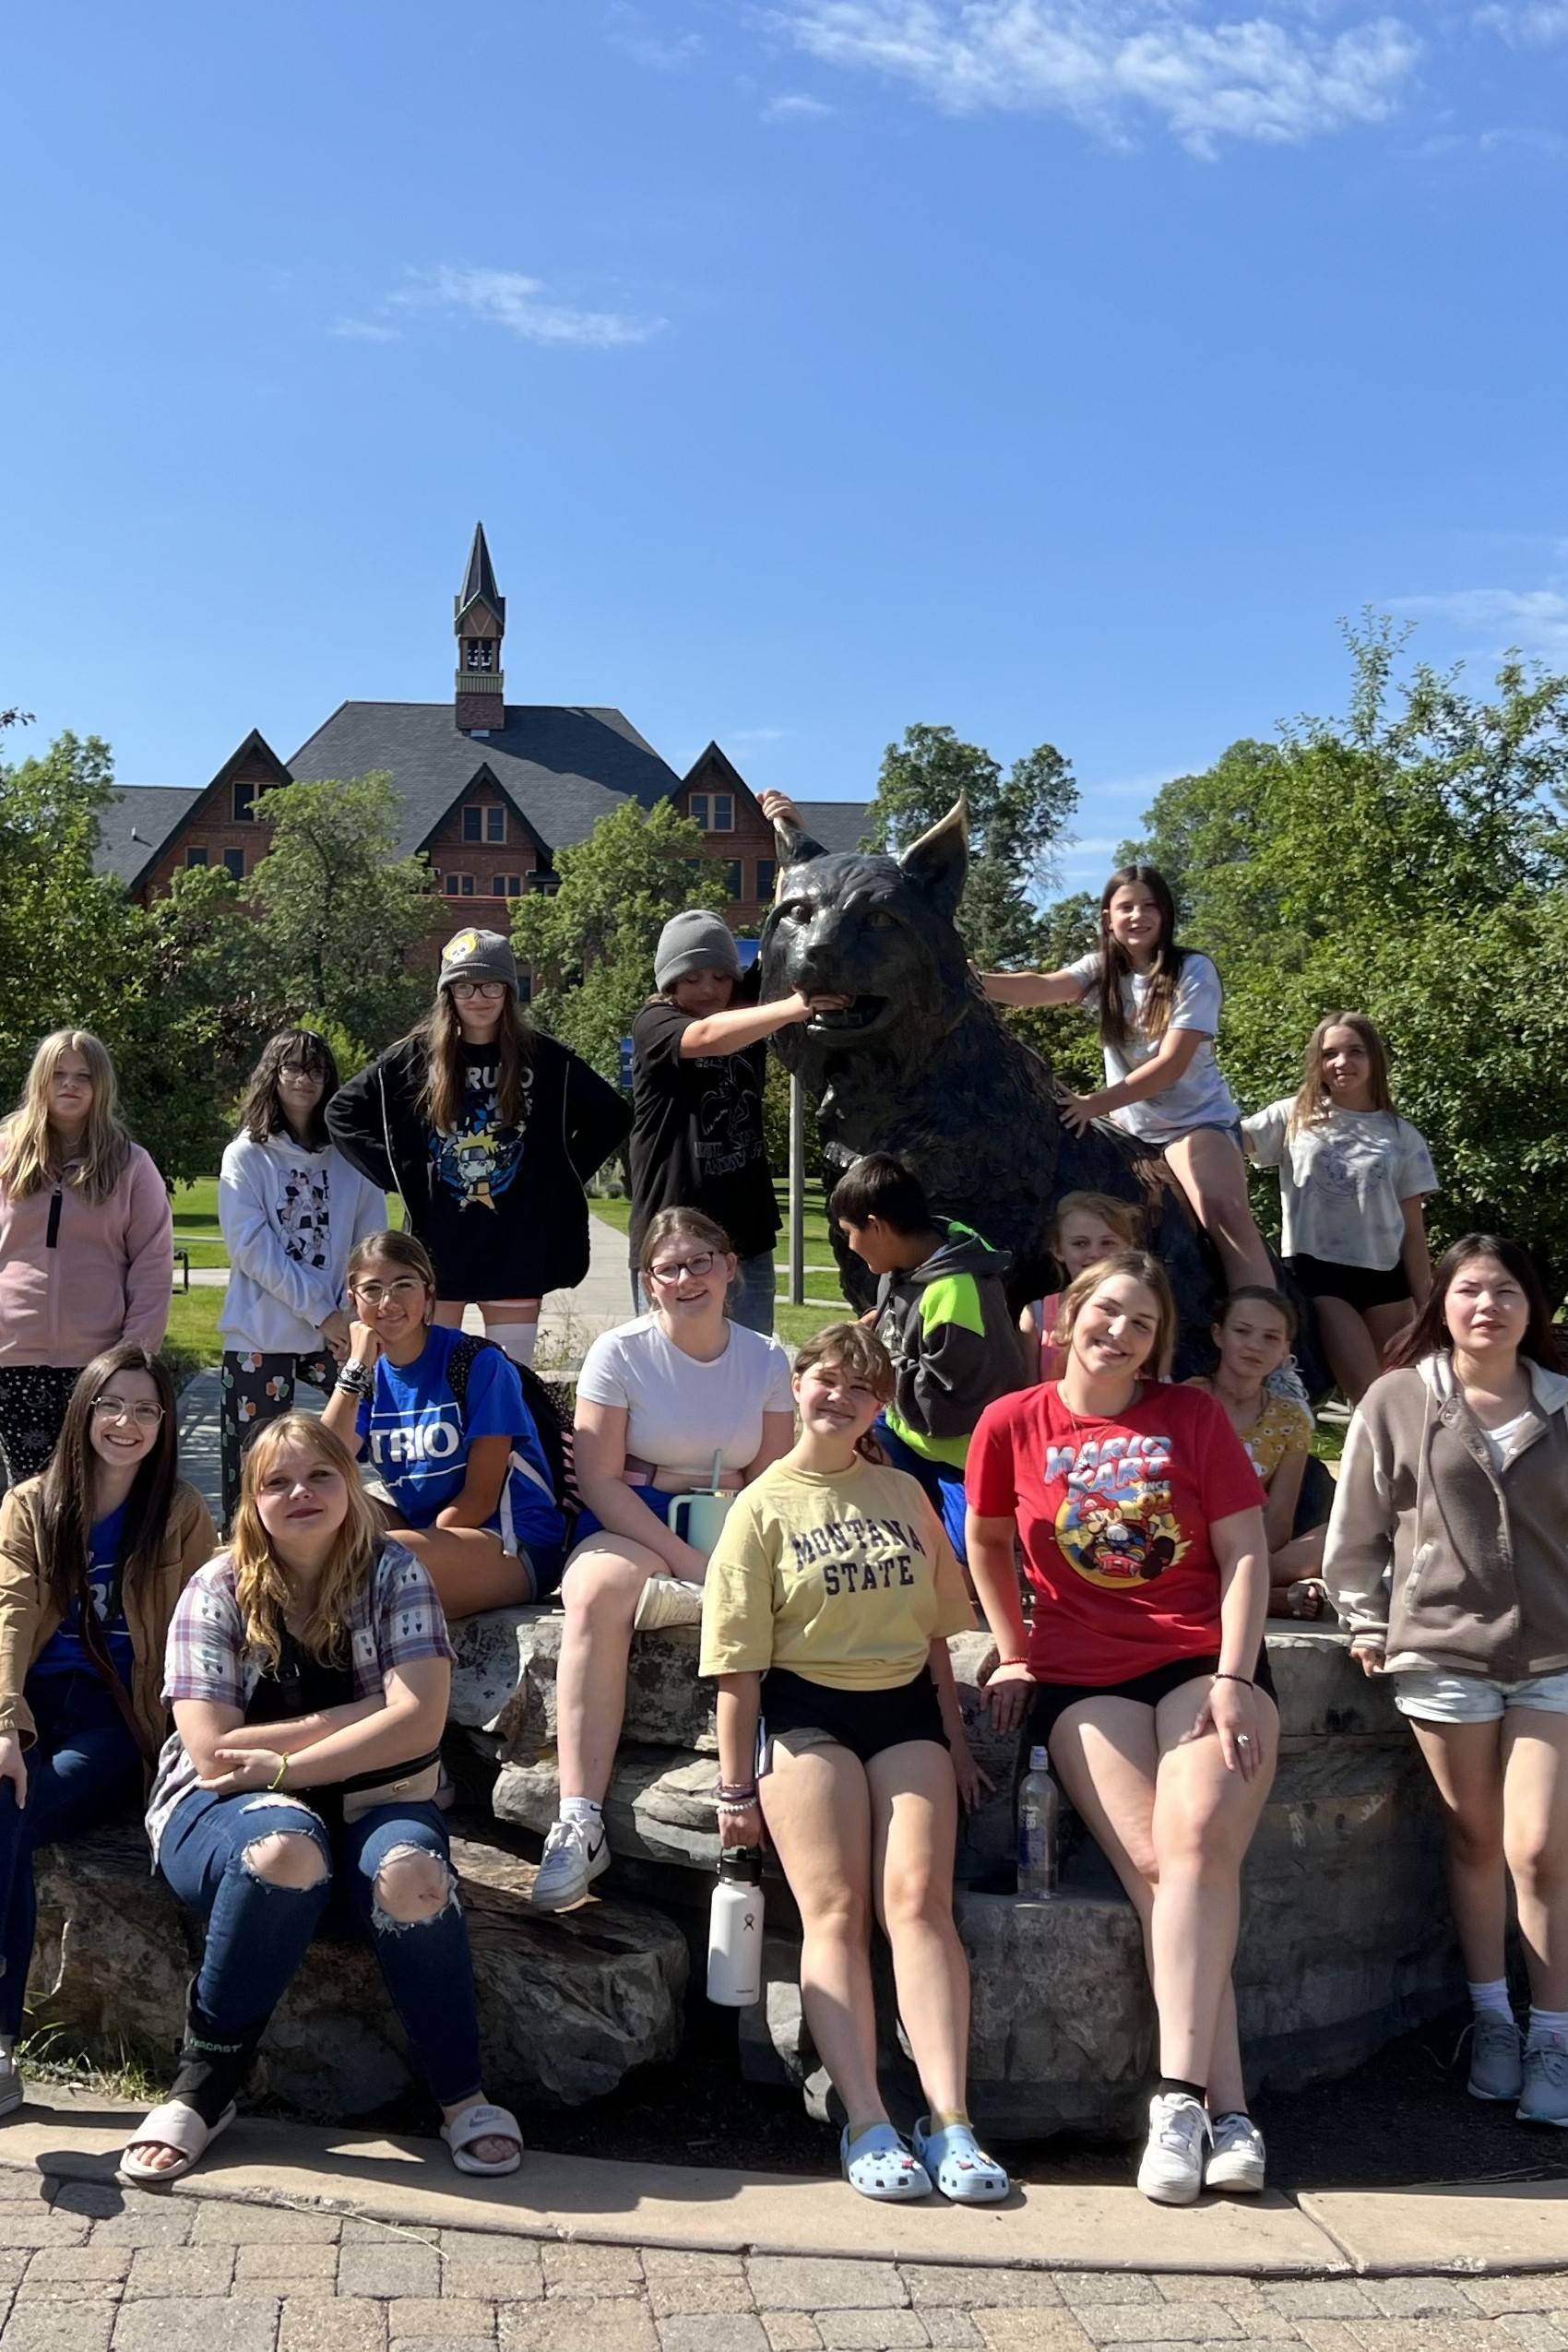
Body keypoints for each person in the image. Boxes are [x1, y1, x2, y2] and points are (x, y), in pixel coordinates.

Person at [118, 1412, 521, 2185]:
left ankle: (461, 2094)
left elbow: (419, 1725)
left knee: (411, 1872)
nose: (300, 1493)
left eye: (319, 1475)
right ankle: (204, 2089)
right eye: (276, 1482)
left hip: (377, 1801)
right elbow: (213, 1752)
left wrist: (280, 1761)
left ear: (350, 1483)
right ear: (251, 1501)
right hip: (224, 1814)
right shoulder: (217, 1586)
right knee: (285, 1849)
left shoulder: (395, 1574)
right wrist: (362, 1719)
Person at [967, 1250, 1276, 2204]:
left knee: (1188, 1846)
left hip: (1200, 1666)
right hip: (1079, 1675)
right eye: (1105, 1312)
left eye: (1140, 1323)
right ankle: (1228, 2114)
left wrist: (1229, 1673)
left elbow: (1244, 1552)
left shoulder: (1188, 1414)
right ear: (1065, 1317)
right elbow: (981, 1537)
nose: (1119, 1333)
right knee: (1160, 1872)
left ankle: (1178, 2100)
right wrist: (1010, 1645)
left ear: (1157, 1340)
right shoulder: (1010, 1421)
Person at [702, 1323, 1007, 2204]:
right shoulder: (760, 1509)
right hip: (806, 1712)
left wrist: (954, 1744)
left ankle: (950, 2121)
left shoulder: (905, 1492)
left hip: (904, 1705)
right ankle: (866, 2116)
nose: (842, 1399)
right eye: (828, 1380)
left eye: (863, 1390)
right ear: (798, 1385)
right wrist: (734, 1789)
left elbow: (938, 1635)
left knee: (919, 1905)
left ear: (880, 1406)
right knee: (834, 1910)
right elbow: (737, 1666)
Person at [1324, 1234, 1568, 2129]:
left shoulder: (1558, 1405)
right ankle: (1490, 2021)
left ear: (1528, 1308)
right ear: (1444, 1303)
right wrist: (1359, 1615)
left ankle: (1551, 2032)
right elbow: (1355, 1523)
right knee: (1472, 1841)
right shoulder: (1399, 1399)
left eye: (1505, 1291)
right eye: (1468, 1290)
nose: (1486, 1307)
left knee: (1539, 1849)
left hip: (1552, 1659)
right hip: (1439, 1653)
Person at [530, 1208, 795, 1913]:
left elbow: (773, 1481)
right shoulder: (619, 1353)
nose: (687, 1278)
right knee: (592, 1591)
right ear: (649, 1282)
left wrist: (731, 1561)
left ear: (730, 1266)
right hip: (635, 1525)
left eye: (701, 1261)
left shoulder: (767, 1359)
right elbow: (600, 1476)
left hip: (732, 1528)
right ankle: (579, 1817)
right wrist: (684, 1560)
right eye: (669, 1268)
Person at [0, 1344, 214, 2115]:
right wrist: (2, 1724)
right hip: (32, 1705)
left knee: (8, 1815)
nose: (127, 1423)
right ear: (84, 1411)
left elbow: (204, 1629)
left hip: (116, 1719)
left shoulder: (182, 1515)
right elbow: (11, 1612)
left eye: (147, 1409)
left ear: (164, 1422)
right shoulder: (30, 1504)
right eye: (112, 1406)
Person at [326, 929, 630, 1367]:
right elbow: (342, 1114)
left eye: (491, 985)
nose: (478, 997)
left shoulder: (545, 1059)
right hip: (437, 1252)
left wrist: (558, 1177)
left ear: (509, 991)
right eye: (464, 986)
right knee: (435, 1381)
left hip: (517, 1250)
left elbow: (613, 1115)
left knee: (512, 1383)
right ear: (448, 993)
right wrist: (405, 1176)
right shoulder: (414, 1058)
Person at [981, 868, 1273, 1294]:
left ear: (1167, 914)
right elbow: (1043, 987)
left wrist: (1093, 1105)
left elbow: (1173, 1063)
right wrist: (978, 982)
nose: (1138, 915)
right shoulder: (1102, 969)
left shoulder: (1193, 969)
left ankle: (1268, 1329)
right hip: (1128, 1131)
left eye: (1149, 905)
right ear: (1107, 919)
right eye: (1126, 907)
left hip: (1195, 1123)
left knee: (1222, 1213)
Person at [320, 1231, 566, 1621]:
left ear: (428, 1292)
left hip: (508, 1540)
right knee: (315, 1507)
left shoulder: (477, 1363)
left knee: (361, 1570)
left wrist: (414, 1543)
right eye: (372, 1289)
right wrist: (355, 1367)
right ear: (353, 1301)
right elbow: (320, 1462)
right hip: (422, 1537)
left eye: (404, 1284)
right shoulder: (369, 1376)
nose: (388, 1302)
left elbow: (480, 1498)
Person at [630, 908, 843, 1336]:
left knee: (750, 1366)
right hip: (673, 1238)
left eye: (721, 977)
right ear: (669, 983)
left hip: (746, 1234)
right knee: (670, 1370)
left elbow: (786, 922)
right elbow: (708, 1037)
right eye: (691, 979)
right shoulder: (655, 1024)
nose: (709, 989)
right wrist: (795, 1007)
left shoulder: (746, 1005)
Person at [218, 1028, 386, 1528]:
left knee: (379, 1432)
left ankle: (351, 1540)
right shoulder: (245, 1155)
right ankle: (244, 1568)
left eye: (316, 1070)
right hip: (260, 1336)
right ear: (273, 1075)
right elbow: (253, 1251)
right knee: (253, 1473)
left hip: (338, 1335)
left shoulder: (351, 1158)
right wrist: (322, 1312)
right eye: (292, 1068)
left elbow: (371, 1244)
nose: (304, 1080)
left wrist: (351, 1318)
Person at [829, 1154, 1024, 1564]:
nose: (849, 1245)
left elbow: (944, 1412)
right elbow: (902, 1328)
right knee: (830, 1437)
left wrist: (879, 1355)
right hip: (904, 1433)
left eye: (849, 1231)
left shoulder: (954, 1292)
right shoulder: (906, 1260)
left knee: (974, 1562)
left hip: (959, 1459)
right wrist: (878, 1328)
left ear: (877, 1226)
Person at [0, 1030, 173, 1487]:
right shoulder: (6, 1155)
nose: (70, 1085)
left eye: (83, 1076)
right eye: (58, 1074)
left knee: (98, 1489)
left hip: (101, 1362)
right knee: (30, 1493)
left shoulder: (130, 1165)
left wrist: (134, 1357)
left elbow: (153, 1266)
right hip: (13, 1357)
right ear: (41, 1081)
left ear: (101, 1087)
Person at [1243, 1013, 1435, 1406]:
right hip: (1318, 1272)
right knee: (1368, 1394)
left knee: (1404, 1402)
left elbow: (1413, 1233)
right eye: (1330, 1053)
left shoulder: (1402, 1136)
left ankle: (1386, 1469)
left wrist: (1430, 1307)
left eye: (1354, 1052)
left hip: (1386, 1280)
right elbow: (1227, 1140)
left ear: (1374, 1060)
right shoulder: (1293, 1114)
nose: (1342, 1062)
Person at [1186, 1289, 1331, 1619]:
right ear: (1218, 1334)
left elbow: (1279, 1519)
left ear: (1285, 1350)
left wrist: (1243, 1560)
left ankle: (1231, 1588)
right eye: (1242, 1331)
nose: (1254, 1345)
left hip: (1250, 1545)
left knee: (1338, 1536)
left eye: (1270, 1337)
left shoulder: (1292, 1418)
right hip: (1184, 1539)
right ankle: (1266, 1597)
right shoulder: (1184, 1401)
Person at [1021, 1192, 1144, 1383]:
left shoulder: (1145, 1315)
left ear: (1129, 1248)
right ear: (1058, 1249)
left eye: (1107, 1243)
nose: (1094, 1253)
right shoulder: (1036, 1317)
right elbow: (1027, 1395)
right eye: (1080, 1243)